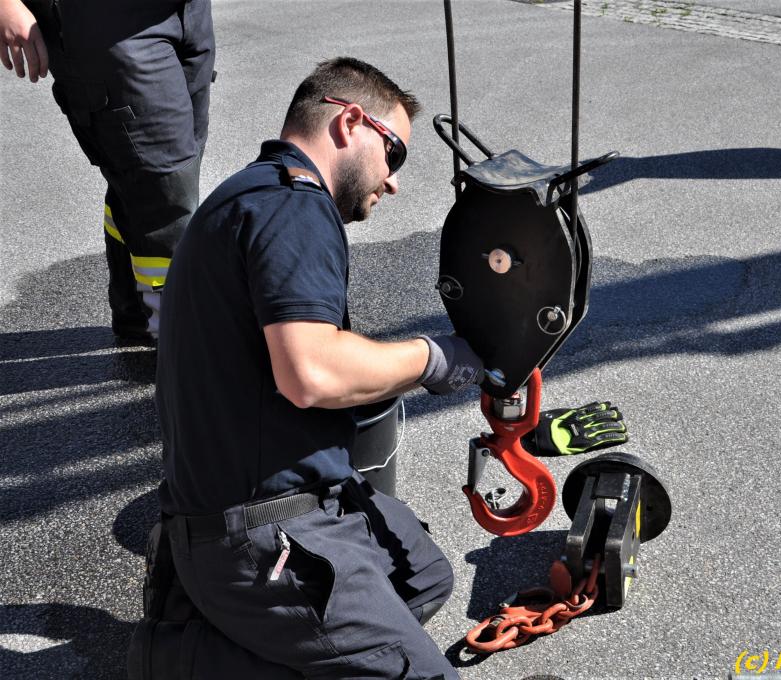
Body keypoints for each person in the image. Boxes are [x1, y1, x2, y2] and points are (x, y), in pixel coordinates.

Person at [155, 57, 479, 679]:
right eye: (394, 154)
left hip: (262, 502)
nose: (393, 182)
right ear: (350, 122)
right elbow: (311, 373)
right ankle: (185, 659)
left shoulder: (251, 193)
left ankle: (285, 640)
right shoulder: (293, 208)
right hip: (257, 533)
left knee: (424, 575)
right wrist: (433, 359)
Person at [0, 0, 214, 341]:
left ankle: (139, 313)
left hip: (186, 13)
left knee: (154, 170)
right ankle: (183, 344)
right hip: (102, 19)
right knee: (166, 189)